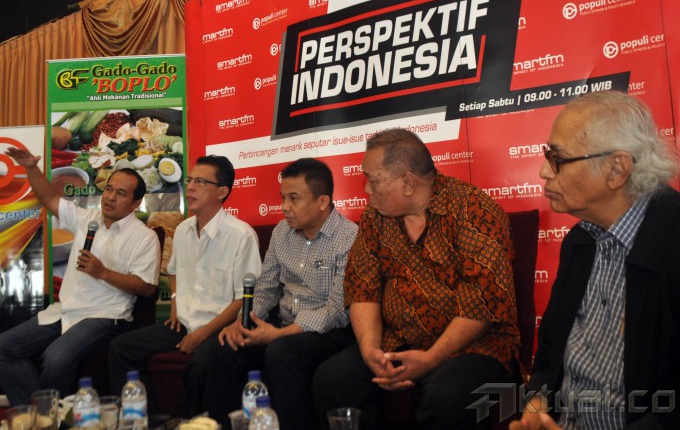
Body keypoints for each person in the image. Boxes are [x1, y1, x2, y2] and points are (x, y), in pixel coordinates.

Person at [314, 128, 520, 430]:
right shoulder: (374, 218)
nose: (367, 189)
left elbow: (482, 303)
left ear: (408, 182)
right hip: (397, 341)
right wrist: (371, 352)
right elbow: (362, 288)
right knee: (332, 379)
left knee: (447, 395)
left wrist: (431, 358)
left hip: (476, 346)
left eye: (374, 180)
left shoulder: (473, 209)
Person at [509, 91, 680, 430]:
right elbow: (550, 352)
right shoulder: (580, 241)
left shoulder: (672, 241)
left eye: (557, 158)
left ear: (617, 169)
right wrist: (537, 405)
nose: (543, 171)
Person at [197, 158, 357, 430]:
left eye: (294, 198)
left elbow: (337, 309)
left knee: (282, 352)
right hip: (282, 324)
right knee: (224, 346)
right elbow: (265, 288)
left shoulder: (349, 237)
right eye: (283, 197)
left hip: (329, 332)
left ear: (322, 201)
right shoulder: (282, 231)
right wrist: (243, 321)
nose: (284, 207)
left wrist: (279, 335)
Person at [0, 147, 160, 405]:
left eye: (120, 194)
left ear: (135, 203)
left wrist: (103, 273)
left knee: (56, 358)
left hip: (105, 316)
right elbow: (48, 198)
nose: (110, 197)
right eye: (109, 189)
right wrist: (30, 167)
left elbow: (147, 288)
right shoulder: (87, 218)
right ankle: (40, 413)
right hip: (65, 310)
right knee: (4, 348)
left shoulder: (144, 237)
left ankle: (50, 416)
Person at [108, 155, 262, 408]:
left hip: (220, 328)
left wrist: (202, 334)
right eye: (190, 180)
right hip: (184, 322)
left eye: (201, 182)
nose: (190, 187)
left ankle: (199, 423)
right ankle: (142, 418)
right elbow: (174, 271)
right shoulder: (183, 230)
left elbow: (243, 300)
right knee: (121, 348)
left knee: (201, 365)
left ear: (222, 192)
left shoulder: (241, 235)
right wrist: (176, 303)